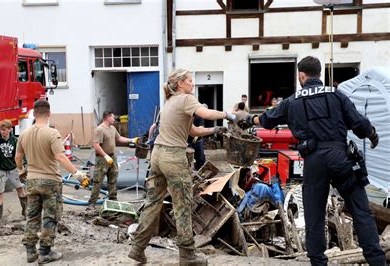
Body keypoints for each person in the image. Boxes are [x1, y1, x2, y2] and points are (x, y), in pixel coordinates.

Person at [238, 56, 385, 265]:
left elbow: (267, 120)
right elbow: (359, 123)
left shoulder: (292, 101)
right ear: (319, 74)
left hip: (314, 162)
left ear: (301, 75)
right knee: (361, 211)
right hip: (340, 158)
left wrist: (247, 120)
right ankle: (377, 261)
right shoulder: (336, 95)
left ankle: (318, 262)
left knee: (314, 218)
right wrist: (372, 134)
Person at [128, 69, 235, 265]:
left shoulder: (169, 102)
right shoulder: (186, 99)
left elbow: (192, 130)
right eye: (190, 81)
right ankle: (187, 256)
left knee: (153, 202)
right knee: (183, 205)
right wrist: (227, 114)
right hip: (173, 157)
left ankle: (137, 248)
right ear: (180, 84)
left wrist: (215, 129)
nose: (192, 84)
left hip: (157, 154)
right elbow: (206, 112)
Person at [15, 99, 88, 263]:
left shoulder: (24, 134)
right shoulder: (52, 133)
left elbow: (18, 157)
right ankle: (45, 252)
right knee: (49, 217)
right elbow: (60, 156)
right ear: (49, 114)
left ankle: (30, 252)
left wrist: (22, 170)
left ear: (34, 114)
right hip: (50, 182)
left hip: (32, 181)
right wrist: (77, 173)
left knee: (32, 216)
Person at [85, 111, 138, 210]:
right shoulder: (100, 130)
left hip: (112, 157)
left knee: (113, 179)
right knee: (98, 181)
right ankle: (92, 203)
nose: (114, 119)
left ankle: (113, 200)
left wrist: (131, 140)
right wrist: (105, 156)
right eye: (113, 117)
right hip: (102, 159)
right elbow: (96, 145)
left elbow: (119, 138)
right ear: (107, 117)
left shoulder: (112, 128)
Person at [0, 119, 26, 222]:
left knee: (21, 190)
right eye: (1, 130)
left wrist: (22, 167)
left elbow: (21, 154)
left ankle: (26, 213)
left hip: (13, 169)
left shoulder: (15, 140)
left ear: (10, 129)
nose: (2, 132)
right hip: (0, 170)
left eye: (4, 130)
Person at [187, 104, 208, 170]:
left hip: (198, 140)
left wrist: (196, 135)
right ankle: (189, 171)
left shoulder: (200, 117)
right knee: (188, 157)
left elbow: (201, 127)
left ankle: (200, 172)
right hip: (188, 140)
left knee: (200, 158)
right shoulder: (187, 116)